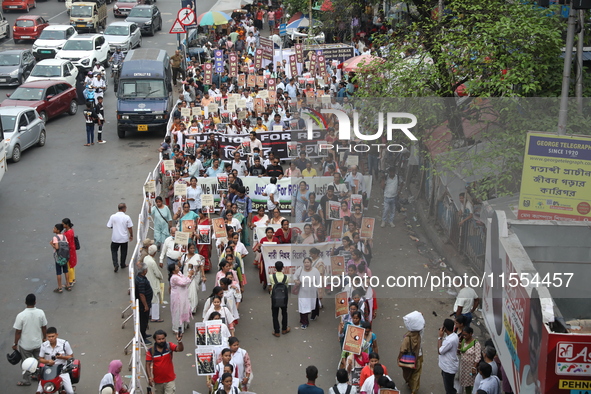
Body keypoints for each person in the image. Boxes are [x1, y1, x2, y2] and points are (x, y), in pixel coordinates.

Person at [13, 294, 47, 387]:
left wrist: (15, 343)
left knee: (26, 363)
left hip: (25, 345)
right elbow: (44, 327)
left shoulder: (21, 315)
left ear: (25, 302)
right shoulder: (40, 313)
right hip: (37, 343)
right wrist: (44, 338)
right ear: (35, 302)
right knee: (39, 360)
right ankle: (39, 376)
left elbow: (18, 331)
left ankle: (26, 380)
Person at [36, 327, 74, 394]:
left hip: (62, 370)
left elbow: (71, 356)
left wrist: (62, 357)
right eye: (49, 337)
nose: (51, 338)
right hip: (48, 370)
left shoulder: (64, 343)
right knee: (38, 392)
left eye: (52, 336)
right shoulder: (44, 345)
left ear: (56, 335)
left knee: (70, 392)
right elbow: (41, 359)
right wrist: (48, 361)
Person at [398, 310, 424, 394]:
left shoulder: (407, 338)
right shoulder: (420, 334)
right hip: (418, 356)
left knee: (408, 373)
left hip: (407, 359)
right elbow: (422, 325)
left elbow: (402, 350)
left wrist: (399, 358)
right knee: (416, 374)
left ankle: (409, 382)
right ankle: (414, 390)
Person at [294, 257, 321, 329]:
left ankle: (314, 315)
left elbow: (319, 282)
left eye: (308, 262)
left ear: (311, 263)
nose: (306, 264)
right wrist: (296, 281)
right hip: (302, 293)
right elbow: (295, 277)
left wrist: (320, 292)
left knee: (313, 305)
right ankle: (304, 322)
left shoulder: (315, 271)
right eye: (305, 262)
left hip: (312, 293)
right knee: (303, 307)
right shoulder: (300, 270)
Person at [107, 203, 133, 273]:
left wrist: (115, 227)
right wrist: (131, 235)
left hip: (115, 238)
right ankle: (123, 264)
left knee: (114, 251)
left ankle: (115, 264)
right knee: (124, 251)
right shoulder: (127, 217)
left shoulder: (113, 216)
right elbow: (130, 227)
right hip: (124, 238)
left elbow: (109, 226)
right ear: (124, 209)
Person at [168, 263, 195, 333]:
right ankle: (177, 328)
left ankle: (185, 324)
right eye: (176, 267)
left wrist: (189, 275)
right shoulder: (174, 278)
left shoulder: (179, 273)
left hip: (183, 296)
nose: (178, 268)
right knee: (178, 311)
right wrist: (189, 275)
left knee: (184, 309)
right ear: (173, 271)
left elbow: (185, 279)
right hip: (178, 297)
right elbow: (184, 282)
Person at [268, 261, 290, 337]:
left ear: (275, 268)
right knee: (284, 313)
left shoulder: (271, 277)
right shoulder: (286, 277)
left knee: (275, 314)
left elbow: (271, 286)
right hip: (284, 298)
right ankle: (284, 329)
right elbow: (286, 287)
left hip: (274, 298)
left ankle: (277, 331)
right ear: (282, 268)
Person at [438, 318, 459, 394]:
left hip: (448, 368)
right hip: (447, 365)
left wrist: (440, 337)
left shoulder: (449, 341)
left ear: (445, 329)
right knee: (448, 383)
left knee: (449, 389)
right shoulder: (454, 336)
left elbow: (440, 351)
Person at [459, 327, 481, 394]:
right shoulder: (463, 341)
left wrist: (474, 367)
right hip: (464, 368)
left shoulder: (476, 344)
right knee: (466, 384)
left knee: (471, 384)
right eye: (463, 335)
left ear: (471, 334)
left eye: (466, 335)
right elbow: (461, 351)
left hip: (471, 369)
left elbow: (478, 357)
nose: (464, 336)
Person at [145, 245, 164, 323]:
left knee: (149, 298)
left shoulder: (146, 258)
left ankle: (150, 314)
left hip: (147, 280)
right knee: (155, 299)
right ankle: (155, 317)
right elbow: (157, 273)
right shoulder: (152, 262)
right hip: (153, 282)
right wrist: (161, 277)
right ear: (155, 252)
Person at [50, 223, 71, 292]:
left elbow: (57, 247)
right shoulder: (64, 237)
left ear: (58, 230)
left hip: (59, 257)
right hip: (65, 256)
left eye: (55, 228)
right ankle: (68, 285)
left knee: (58, 272)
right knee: (66, 271)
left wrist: (52, 244)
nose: (53, 229)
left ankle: (59, 287)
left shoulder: (55, 237)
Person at [136, 262, 153, 344]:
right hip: (143, 306)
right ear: (145, 271)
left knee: (144, 321)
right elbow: (141, 294)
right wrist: (146, 305)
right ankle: (142, 338)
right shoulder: (141, 281)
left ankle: (144, 334)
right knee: (143, 321)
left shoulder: (140, 277)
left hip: (145, 303)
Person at [61, 218, 77, 287]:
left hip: (68, 250)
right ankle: (73, 278)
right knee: (72, 265)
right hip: (72, 249)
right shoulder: (71, 231)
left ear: (66, 225)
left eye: (63, 224)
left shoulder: (67, 233)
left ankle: (70, 281)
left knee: (69, 265)